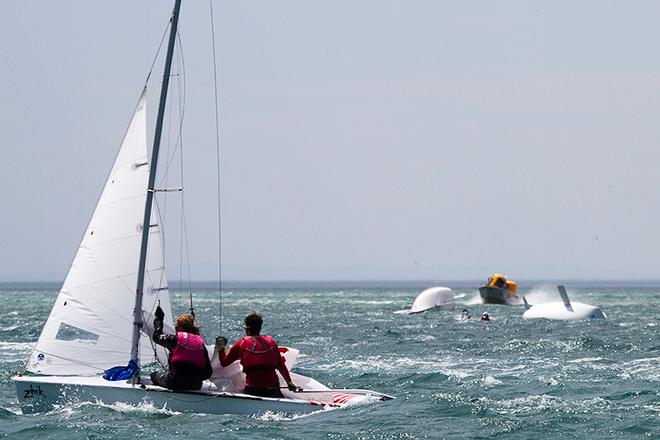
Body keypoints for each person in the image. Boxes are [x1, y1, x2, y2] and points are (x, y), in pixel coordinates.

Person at [216, 312, 299, 398]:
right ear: (260, 327)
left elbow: (224, 363)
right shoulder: (272, 342)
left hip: (253, 389)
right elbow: (281, 365)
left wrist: (220, 348)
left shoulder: (241, 344)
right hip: (273, 389)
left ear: (246, 328)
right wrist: (289, 382)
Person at [150, 305, 213, 390]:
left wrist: (159, 319)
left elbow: (156, 337)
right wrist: (194, 379)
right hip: (195, 385)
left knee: (154, 375)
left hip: (174, 382)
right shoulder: (200, 344)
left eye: (176, 327)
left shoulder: (175, 339)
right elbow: (208, 372)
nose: (175, 329)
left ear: (182, 328)